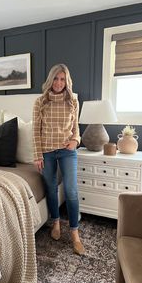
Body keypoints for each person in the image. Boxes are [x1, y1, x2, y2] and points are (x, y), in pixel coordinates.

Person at [32, 63, 85, 255]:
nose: (59, 82)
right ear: (50, 79)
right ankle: (55, 222)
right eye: (56, 78)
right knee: (51, 189)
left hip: (67, 151)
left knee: (71, 190)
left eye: (62, 79)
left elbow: (76, 128)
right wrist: (37, 155)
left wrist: (75, 140)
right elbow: (35, 131)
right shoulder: (40, 102)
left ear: (67, 81)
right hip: (46, 151)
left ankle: (74, 233)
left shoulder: (73, 101)